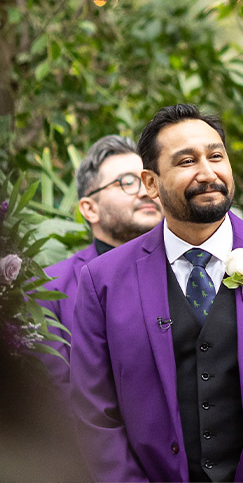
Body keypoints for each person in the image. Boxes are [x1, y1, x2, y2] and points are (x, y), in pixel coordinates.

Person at [70, 104, 243, 482]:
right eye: (186, 161)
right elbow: (93, 416)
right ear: (151, 183)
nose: (207, 173)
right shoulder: (101, 282)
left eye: (216, 156)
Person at [40, 135, 162, 394]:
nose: (144, 191)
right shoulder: (50, 289)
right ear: (89, 209)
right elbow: (56, 397)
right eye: (127, 182)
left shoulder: (193, 269)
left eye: (148, 180)